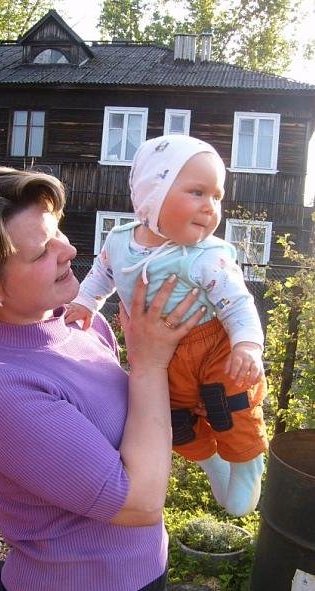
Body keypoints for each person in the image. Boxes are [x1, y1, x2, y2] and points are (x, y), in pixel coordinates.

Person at [0, 166, 206, 591]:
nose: (69, 250)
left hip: (144, 572)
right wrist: (149, 363)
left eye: (57, 231)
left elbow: (137, 425)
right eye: (41, 252)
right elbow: (140, 504)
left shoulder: (79, 325)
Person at [65, 134, 268, 517]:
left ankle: (246, 461)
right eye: (197, 192)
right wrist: (85, 302)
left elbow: (239, 303)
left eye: (217, 197)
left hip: (213, 345)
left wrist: (247, 345)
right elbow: (101, 275)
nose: (210, 207)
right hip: (166, 355)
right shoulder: (119, 242)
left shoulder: (208, 256)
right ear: (152, 193)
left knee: (231, 400)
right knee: (175, 417)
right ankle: (210, 460)